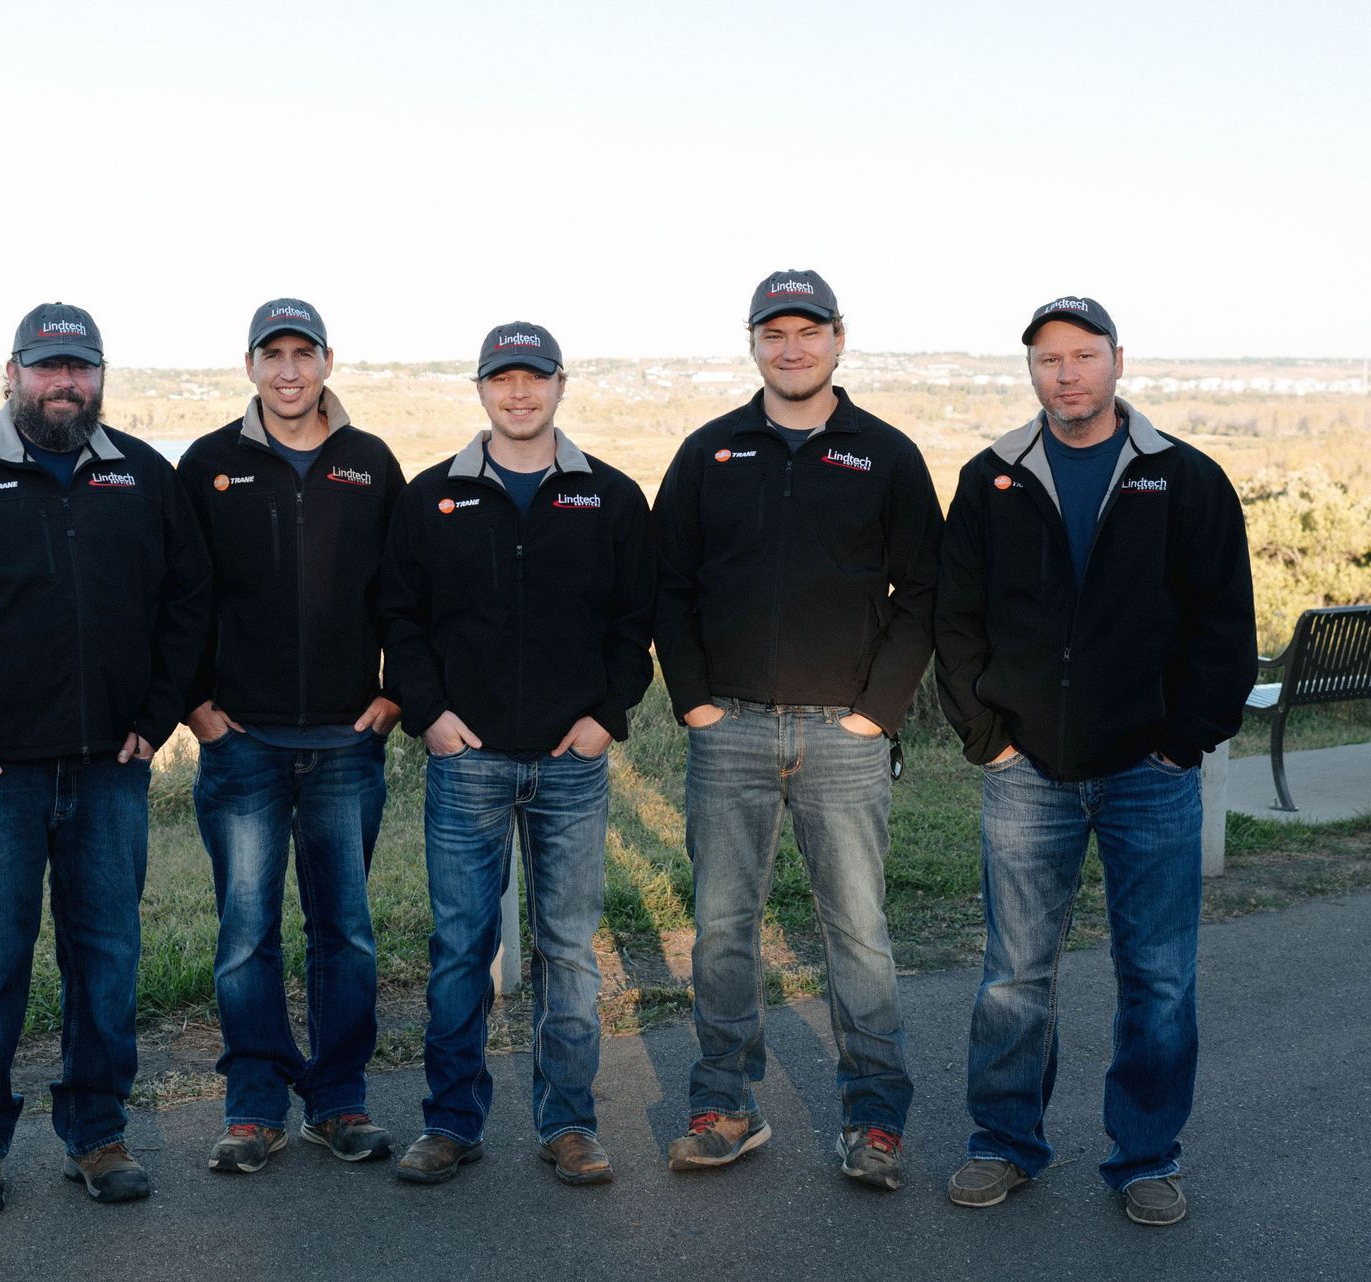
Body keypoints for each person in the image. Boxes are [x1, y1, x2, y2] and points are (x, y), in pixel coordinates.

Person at [0, 303, 210, 1213]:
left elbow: (188, 604)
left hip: (112, 769)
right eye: (46, 367)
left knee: (107, 956)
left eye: (80, 368)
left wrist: (157, 713)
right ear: (12, 372)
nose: (64, 384)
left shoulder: (142, 477)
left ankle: (98, 1134)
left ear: (101, 376)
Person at [934, 296, 1254, 1226]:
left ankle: (1147, 1153)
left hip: (1149, 774)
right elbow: (957, 623)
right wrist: (986, 737)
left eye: (1082, 356)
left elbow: (1224, 628)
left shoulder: (1183, 478)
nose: (1066, 374)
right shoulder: (990, 477)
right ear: (1029, 371)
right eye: (1047, 360)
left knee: (1157, 974)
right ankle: (1004, 1143)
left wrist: (1181, 739)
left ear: (1118, 361)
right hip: (1025, 770)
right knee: (1013, 976)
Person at [653, 269, 940, 1190]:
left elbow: (925, 595)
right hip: (727, 731)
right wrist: (694, 701)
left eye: (807, 330)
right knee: (722, 928)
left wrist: (876, 715)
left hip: (842, 738)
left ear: (838, 339)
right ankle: (725, 1105)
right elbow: (668, 586)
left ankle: (874, 1122)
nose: (792, 347)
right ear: (752, 345)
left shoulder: (885, 456)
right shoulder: (710, 453)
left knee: (857, 933)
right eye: (773, 332)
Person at [380, 321, 655, 1186]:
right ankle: (452, 1123)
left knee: (567, 949)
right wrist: (429, 716)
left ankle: (568, 1123)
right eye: (503, 378)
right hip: (468, 761)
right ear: (482, 390)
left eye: (535, 377)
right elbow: (401, 621)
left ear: (561, 385)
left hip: (573, 761)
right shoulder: (433, 499)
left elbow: (633, 623)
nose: (520, 392)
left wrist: (608, 716)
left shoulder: (608, 496)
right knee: (462, 947)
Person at [176, 299, 406, 1174]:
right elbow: (177, 596)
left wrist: (394, 700)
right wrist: (196, 707)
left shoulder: (370, 464)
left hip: (349, 743)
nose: (287, 371)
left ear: (327, 362)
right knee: (246, 934)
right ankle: (254, 1107)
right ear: (250, 367)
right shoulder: (209, 465)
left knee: (343, 930)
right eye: (270, 355)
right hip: (243, 745)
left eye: (301, 354)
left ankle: (339, 1102)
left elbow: (406, 593)